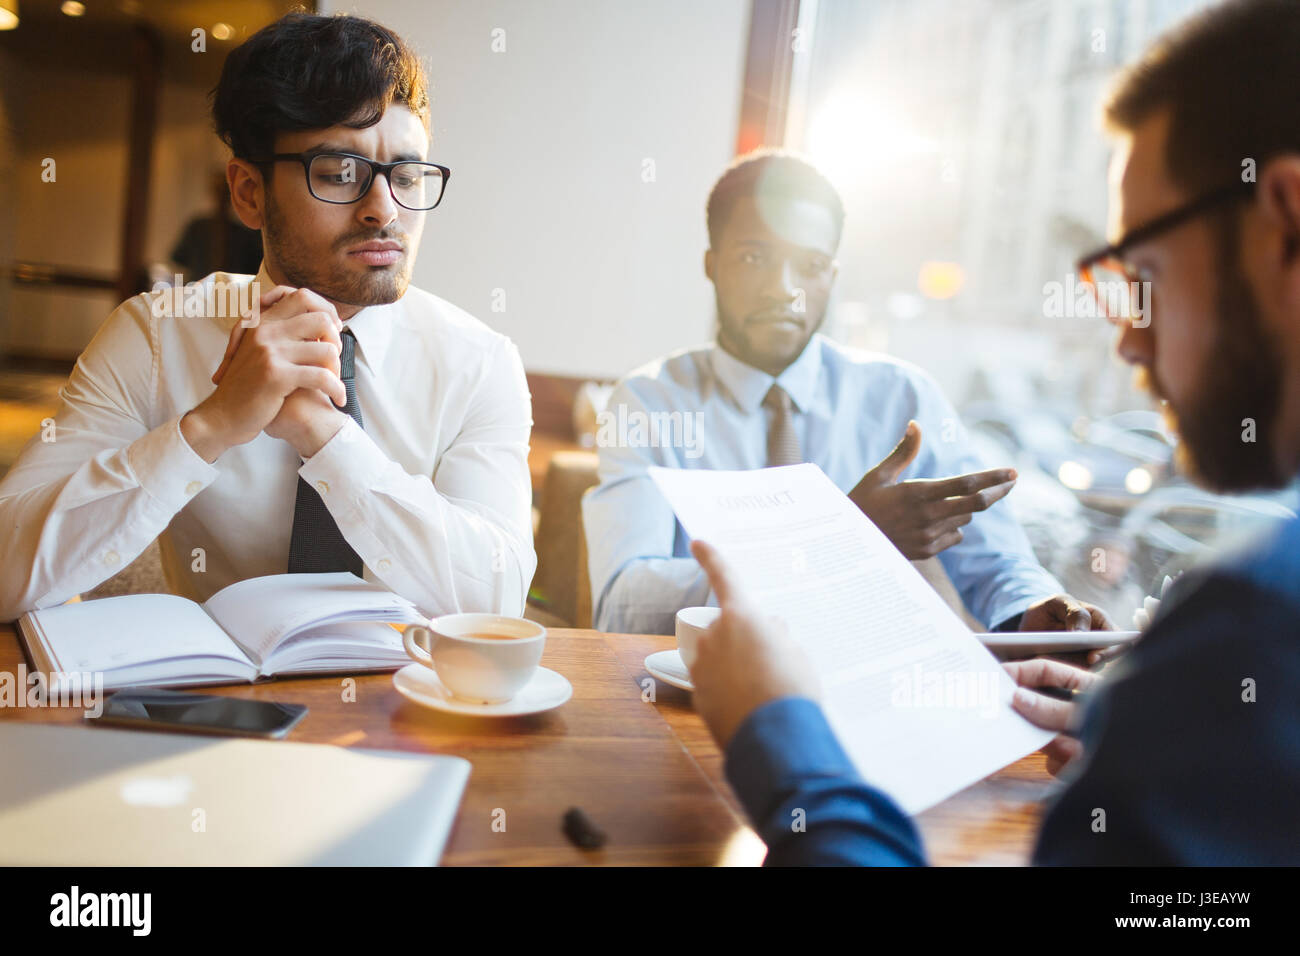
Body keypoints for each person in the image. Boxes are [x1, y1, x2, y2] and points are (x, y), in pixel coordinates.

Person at [686, 0, 1300, 865]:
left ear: (1286, 225)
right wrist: (1159, 748)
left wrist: (781, 737)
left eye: (1143, 274)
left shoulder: (1259, 622)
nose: (1126, 336)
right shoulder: (652, 401)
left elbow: (997, 557)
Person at [0, 13, 535, 621]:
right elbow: (4, 573)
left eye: (407, 176)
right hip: (219, 700)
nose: (383, 210)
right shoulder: (155, 336)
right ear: (249, 193)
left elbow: (496, 598)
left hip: (414, 703)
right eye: (339, 173)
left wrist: (327, 438)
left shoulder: (479, 362)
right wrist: (209, 427)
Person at [583, 149, 1109, 636]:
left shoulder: (903, 399)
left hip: (873, 697)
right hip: (695, 696)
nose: (782, 289)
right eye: (752, 258)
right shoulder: (650, 404)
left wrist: (1035, 613)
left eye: (809, 266)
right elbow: (622, 606)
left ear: (831, 276)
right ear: (711, 265)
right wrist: (838, 539)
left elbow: (997, 563)